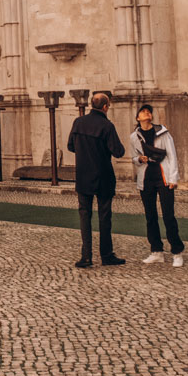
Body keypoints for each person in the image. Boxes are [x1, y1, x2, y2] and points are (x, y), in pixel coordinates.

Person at [66, 91, 126, 269]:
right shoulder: (106, 126)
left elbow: (70, 146)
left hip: (83, 176)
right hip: (103, 176)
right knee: (104, 217)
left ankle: (86, 256)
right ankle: (106, 255)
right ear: (106, 107)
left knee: (85, 216)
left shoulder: (78, 122)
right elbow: (119, 152)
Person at [129, 104, 184, 266]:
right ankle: (156, 250)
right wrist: (139, 159)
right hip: (146, 178)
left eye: (149, 112)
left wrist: (173, 178)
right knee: (150, 216)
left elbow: (172, 155)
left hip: (163, 176)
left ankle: (177, 252)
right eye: (143, 111)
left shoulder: (163, 132)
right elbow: (134, 157)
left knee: (168, 215)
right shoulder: (134, 136)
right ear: (138, 117)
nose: (147, 113)